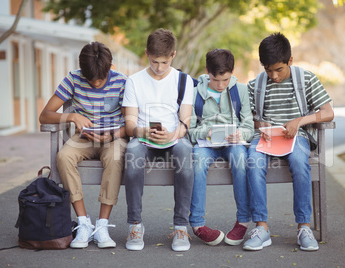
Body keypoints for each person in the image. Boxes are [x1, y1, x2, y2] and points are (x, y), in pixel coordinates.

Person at [244, 32, 334, 251]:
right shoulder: (256, 84)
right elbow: (248, 119)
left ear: (290, 61)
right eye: (268, 69)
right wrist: (260, 125)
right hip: (265, 139)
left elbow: (328, 112)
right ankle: (262, 228)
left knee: (299, 162)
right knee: (252, 162)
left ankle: (304, 227)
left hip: (297, 138)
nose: (273, 75)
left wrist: (300, 121)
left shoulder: (306, 79)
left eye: (279, 69)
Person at [39, 41, 128, 249]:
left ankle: (102, 225)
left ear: (110, 67)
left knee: (115, 158)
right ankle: (84, 223)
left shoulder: (122, 82)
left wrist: (112, 134)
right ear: (82, 71)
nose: (96, 83)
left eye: (101, 79)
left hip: (113, 137)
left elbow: (131, 124)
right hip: (83, 139)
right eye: (90, 79)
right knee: (63, 156)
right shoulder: (73, 78)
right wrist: (72, 116)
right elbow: (44, 116)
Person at [122, 29, 194, 252]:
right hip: (144, 140)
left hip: (173, 139)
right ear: (146, 54)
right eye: (154, 61)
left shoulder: (184, 81)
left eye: (164, 62)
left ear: (173, 55)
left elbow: (185, 122)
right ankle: (135, 225)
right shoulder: (134, 81)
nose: (159, 67)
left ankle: (181, 227)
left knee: (185, 154)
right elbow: (129, 124)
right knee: (132, 154)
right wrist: (144, 132)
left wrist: (172, 135)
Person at [188, 49, 254, 246]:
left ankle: (242, 221)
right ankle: (197, 224)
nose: (220, 85)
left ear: (232, 73)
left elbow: (249, 126)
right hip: (205, 144)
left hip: (232, 143)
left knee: (241, 158)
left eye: (225, 80)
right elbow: (189, 130)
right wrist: (205, 133)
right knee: (197, 162)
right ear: (208, 71)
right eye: (216, 80)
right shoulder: (194, 94)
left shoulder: (240, 90)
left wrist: (240, 134)